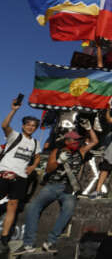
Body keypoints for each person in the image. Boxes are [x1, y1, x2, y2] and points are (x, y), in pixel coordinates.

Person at [13, 128, 98, 255]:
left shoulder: (81, 152)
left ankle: (51, 241)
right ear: (67, 141)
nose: (76, 142)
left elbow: (95, 141)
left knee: (68, 211)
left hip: (69, 189)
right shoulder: (56, 151)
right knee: (33, 208)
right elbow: (48, 169)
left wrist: (89, 128)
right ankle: (28, 244)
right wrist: (58, 161)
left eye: (78, 140)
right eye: (74, 140)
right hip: (53, 186)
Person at [0, 99, 41, 254]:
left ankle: (4, 238)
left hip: (20, 177)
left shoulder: (36, 143)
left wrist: (33, 166)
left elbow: (37, 156)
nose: (30, 127)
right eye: (28, 124)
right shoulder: (14, 136)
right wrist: (14, 110)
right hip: (4, 173)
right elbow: (4, 125)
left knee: (13, 206)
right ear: (23, 126)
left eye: (33, 126)